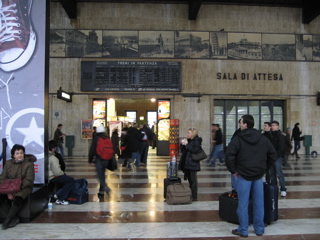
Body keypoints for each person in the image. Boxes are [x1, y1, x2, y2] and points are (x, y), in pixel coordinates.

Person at [225, 115, 277, 238]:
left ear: (246, 125)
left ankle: (243, 230)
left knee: (243, 203)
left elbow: (229, 155)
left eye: (241, 122)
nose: (240, 124)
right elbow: (272, 154)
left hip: (243, 175)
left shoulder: (238, 138)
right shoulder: (262, 138)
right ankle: (259, 229)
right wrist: (264, 168)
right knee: (259, 203)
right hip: (258, 175)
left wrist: (233, 170)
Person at [0, 144, 36, 230]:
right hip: (9, 187)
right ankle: (14, 218)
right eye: (17, 153)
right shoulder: (8, 163)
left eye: (21, 153)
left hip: (23, 187)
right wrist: (8, 191)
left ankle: (8, 220)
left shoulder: (29, 164)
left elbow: (29, 180)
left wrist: (14, 190)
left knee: (18, 199)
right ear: (13, 155)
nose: (19, 155)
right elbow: (2, 177)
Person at [88, 124, 113, 198]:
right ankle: (101, 192)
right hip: (106, 159)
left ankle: (105, 187)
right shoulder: (107, 137)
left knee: (99, 175)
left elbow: (92, 149)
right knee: (103, 175)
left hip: (99, 159)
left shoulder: (96, 138)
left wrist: (90, 159)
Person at [178, 128, 202, 201]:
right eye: (187, 133)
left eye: (189, 133)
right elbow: (183, 151)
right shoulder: (188, 140)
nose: (187, 134)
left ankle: (194, 196)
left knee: (193, 180)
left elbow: (195, 150)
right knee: (189, 179)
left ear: (193, 134)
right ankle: (190, 193)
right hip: (187, 162)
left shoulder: (197, 141)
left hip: (193, 163)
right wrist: (182, 144)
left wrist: (187, 145)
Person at [49, 140, 75, 205]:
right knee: (70, 180)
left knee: (66, 179)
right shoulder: (53, 157)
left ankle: (57, 194)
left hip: (46, 176)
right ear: (53, 148)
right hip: (51, 177)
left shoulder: (45, 155)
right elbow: (57, 172)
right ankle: (60, 198)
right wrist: (63, 174)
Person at [270, 121, 287, 197]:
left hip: (277, 157)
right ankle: (274, 189)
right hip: (271, 157)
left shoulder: (281, 135)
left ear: (277, 126)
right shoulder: (271, 134)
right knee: (272, 174)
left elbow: (281, 148)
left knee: (279, 174)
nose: (272, 127)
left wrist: (275, 156)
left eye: (274, 125)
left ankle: (283, 189)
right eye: (272, 125)